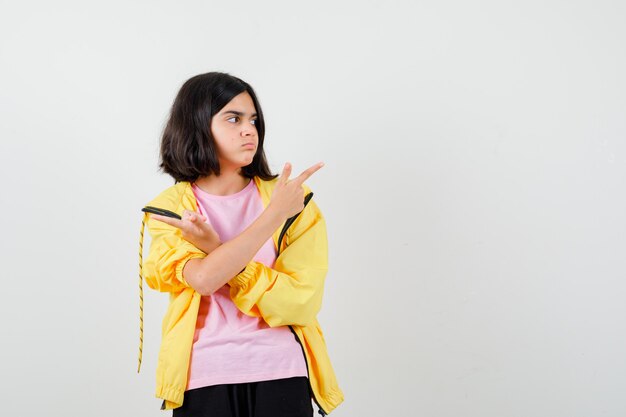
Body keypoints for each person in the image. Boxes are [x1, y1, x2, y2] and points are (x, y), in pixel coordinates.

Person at [136, 72, 344, 417]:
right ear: (197, 125)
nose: (249, 130)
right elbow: (202, 280)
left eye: (253, 120)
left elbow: (300, 301)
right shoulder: (170, 209)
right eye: (233, 118)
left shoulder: (295, 202)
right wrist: (272, 217)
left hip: (282, 369)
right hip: (203, 373)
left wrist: (216, 250)